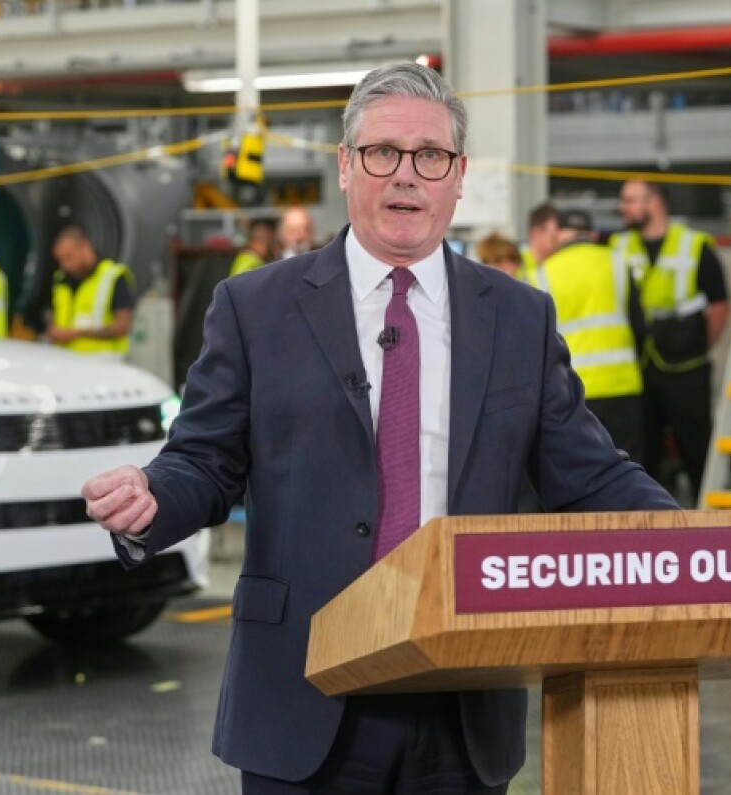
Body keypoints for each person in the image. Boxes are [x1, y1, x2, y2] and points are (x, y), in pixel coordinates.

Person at [82, 63, 678, 794]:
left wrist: (694, 543)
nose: (406, 176)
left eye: (430, 156)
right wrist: (152, 494)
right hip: (304, 689)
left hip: (461, 700)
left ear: (457, 176)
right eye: (382, 153)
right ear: (344, 165)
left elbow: (590, 473)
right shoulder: (255, 306)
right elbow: (203, 461)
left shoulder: (519, 316)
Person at [610, 179, 731, 502]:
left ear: (655, 202)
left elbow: (719, 305)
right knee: (642, 456)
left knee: (697, 449)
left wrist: (698, 346)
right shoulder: (617, 248)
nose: (623, 208)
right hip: (640, 369)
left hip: (686, 369)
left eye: (630, 200)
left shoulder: (694, 245)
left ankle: (709, 520)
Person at [525, 210, 644, 463]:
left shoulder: (541, 274)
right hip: (622, 388)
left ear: (558, 235)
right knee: (629, 474)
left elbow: (533, 343)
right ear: (593, 234)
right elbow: (640, 326)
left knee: (580, 475)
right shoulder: (617, 263)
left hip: (570, 392)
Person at [48, 225, 135, 356]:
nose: (65, 265)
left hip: (103, 362)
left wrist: (76, 334)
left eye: (69, 257)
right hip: (65, 361)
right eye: (60, 260)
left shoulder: (112, 276)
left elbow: (122, 327)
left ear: (84, 246)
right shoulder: (61, 279)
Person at [519, 201, 563, 279]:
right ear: (535, 233)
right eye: (553, 238)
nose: (560, 240)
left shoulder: (559, 263)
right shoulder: (516, 264)